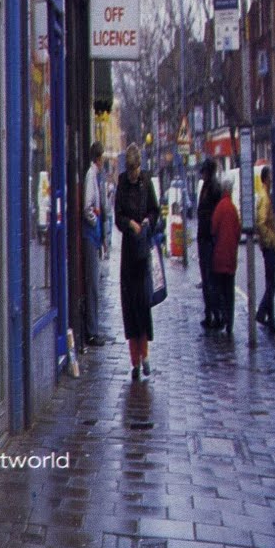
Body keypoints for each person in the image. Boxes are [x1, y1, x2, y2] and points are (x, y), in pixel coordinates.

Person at [114, 143, 161, 381]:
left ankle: (145, 356)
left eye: (135, 170)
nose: (133, 175)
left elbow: (155, 210)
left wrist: (147, 222)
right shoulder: (122, 182)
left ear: (139, 167)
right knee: (130, 307)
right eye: (130, 170)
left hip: (143, 251)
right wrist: (129, 224)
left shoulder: (146, 182)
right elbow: (118, 216)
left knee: (143, 305)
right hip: (128, 253)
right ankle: (134, 362)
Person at [82, 141, 109, 346]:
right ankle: (92, 331)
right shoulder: (91, 176)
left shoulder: (96, 176)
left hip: (94, 236)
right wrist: (95, 223)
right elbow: (87, 207)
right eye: (103, 157)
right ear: (98, 158)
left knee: (94, 283)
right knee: (92, 285)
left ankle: (93, 328)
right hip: (90, 236)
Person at [210, 177, 240, 338]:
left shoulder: (220, 208)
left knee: (220, 290)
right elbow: (238, 231)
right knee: (230, 292)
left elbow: (213, 229)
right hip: (231, 257)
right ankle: (230, 324)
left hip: (219, 257)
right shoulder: (233, 209)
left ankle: (223, 317)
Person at [196, 159, 222, 330]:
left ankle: (216, 315)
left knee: (211, 280)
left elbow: (215, 215)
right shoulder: (205, 187)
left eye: (205, 172)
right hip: (203, 237)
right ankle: (209, 314)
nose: (203, 175)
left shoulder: (214, 188)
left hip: (209, 239)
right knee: (206, 280)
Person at [254, 166, 275, 336]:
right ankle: (262, 313)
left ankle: (269, 319)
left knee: (270, 283)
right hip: (269, 246)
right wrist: (270, 241)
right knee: (272, 284)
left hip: (269, 245)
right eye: (270, 176)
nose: (272, 178)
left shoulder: (265, 195)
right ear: (265, 178)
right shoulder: (264, 198)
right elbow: (262, 222)